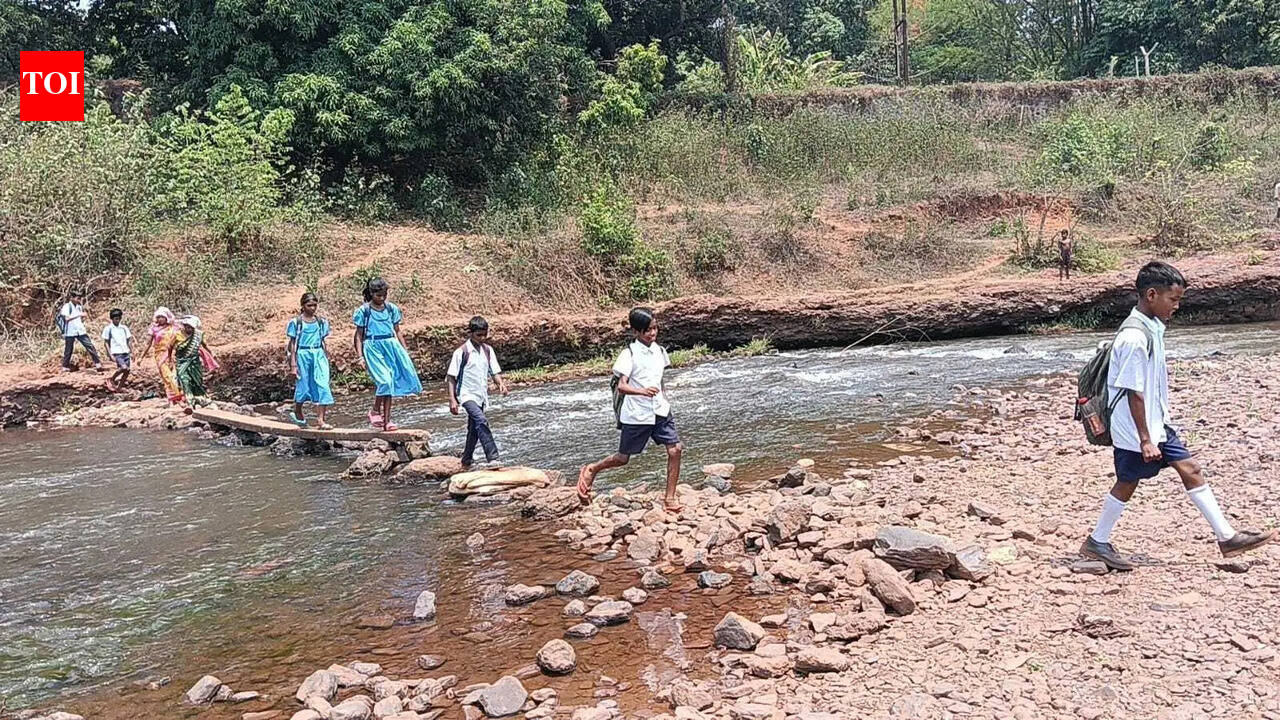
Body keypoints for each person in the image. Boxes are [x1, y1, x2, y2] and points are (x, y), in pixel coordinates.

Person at [1081, 261, 1275, 570]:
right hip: (1136, 427)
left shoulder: (1151, 326)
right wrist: (1145, 439)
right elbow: (1134, 392)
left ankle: (1227, 537)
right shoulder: (1133, 337)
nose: (1177, 306)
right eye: (1173, 299)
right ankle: (1097, 541)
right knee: (1127, 481)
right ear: (1152, 295)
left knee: (1190, 468)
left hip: (1155, 422)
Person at [577, 307, 684, 513]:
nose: (652, 333)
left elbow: (660, 381)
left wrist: (665, 399)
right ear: (636, 332)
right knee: (622, 458)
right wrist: (642, 392)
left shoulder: (660, 351)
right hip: (637, 413)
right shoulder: (629, 354)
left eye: (654, 328)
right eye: (647, 330)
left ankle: (669, 497)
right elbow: (622, 386)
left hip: (660, 410)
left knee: (675, 449)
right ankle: (593, 469)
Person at [352, 277, 422, 431]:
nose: (382, 298)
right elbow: (358, 336)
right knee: (384, 381)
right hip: (373, 347)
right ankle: (375, 410)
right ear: (371, 294)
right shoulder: (364, 311)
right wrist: (359, 357)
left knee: (390, 382)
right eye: (378, 295)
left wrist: (404, 351)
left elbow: (397, 331)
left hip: (391, 346)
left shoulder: (391, 309)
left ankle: (387, 421)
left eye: (384, 295)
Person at [447, 316, 510, 468]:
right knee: (481, 421)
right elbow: (451, 377)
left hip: (481, 395)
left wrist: (500, 384)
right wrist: (452, 399)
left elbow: (494, 371)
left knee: (474, 428)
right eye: (478, 335)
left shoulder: (488, 351)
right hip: (466, 395)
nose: (482, 338)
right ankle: (493, 457)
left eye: (484, 335)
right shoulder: (461, 352)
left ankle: (466, 459)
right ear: (471, 333)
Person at [285, 292, 334, 429]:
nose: (312, 308)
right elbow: (293, 344)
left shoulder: (321, 322)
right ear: (303, 306)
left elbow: (323, 340)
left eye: (314, 305)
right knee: (303, 385)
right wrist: (293, 365)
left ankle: (321, 420)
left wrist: (326, 356)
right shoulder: (296, 323)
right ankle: (298, 411)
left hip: (318, 354)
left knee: (323, 384)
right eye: (309, 305)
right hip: (302, 354)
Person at [139, 307, 185, 405]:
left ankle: (175, 398)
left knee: (176, 376)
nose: (160, 319)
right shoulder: (153, 328)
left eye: (162, 317)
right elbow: (148, 344)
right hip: (160, 355)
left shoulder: (174, 327)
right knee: (167, 376)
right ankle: (177, 398)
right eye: (158, 317)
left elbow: (181, 339)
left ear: (166, 317)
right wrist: (141, 357)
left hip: (173, 354)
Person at [170, 315, 216, 410]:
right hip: (181, 362)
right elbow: (170, 347)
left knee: (197, 381)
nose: (189, 329)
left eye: (191, 328)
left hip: (194, 362)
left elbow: (205, 345)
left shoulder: (198, 335)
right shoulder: (177, 335)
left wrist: (211, 353)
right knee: (184, 380)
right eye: (187, 327)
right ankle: (190, 402)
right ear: (184, 325)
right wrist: (170, 359)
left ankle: (201, 399)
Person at [59, 291, 103, 373]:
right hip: (70, 331)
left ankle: (97, 363)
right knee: (69, 349)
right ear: (72, 298)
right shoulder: (67, 306)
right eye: (77, 297)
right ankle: (65, 366)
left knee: (89, 345)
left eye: (80, 297)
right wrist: (79, 314)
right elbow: (67, 318)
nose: (79, 299)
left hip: (80, 330)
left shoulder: (79, 307)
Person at [101, 308, 133, 392]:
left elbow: (128, 340)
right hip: (117, 352)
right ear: (112, 319)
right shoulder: (109, 328)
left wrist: (131, 351)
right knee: (123, 367)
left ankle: (119, 387)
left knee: (127, 370)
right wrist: (110, 354)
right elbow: (106, 342)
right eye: (116, 319)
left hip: (125, 351)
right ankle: (111, 379)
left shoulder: (124, 328)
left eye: (119, 318)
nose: (117, 320)